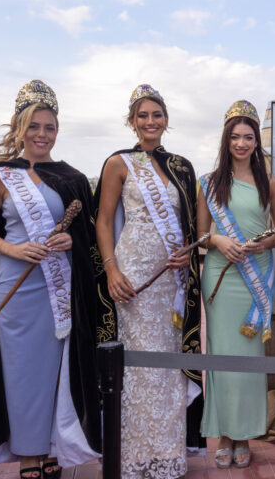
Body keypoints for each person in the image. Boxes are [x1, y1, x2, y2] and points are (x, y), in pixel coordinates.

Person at [0, 80, 108, 478]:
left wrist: (68, 240)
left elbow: (88, 236)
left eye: (49, 128)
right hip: (16, 289)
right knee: (23, 373)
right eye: (34, 127)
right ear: (20, 128)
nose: (42, 135)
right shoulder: (0, 176)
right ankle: (28, 454)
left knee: (57, 372)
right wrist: (14, 249)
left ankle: (53, 446)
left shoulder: (71, 178)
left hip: (58, 287)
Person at [95, 84, 204, 479]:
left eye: (156, 115)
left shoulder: (181, 166)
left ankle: (167, 456)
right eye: (142, 115)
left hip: (169, 279)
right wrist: (111, 269)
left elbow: (192, 225)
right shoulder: (118, 163)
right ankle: (133, 457)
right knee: (136, 366)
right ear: (132, 121)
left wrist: (188, 251)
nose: (150, 122)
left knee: (166, 365)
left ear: (166, 120)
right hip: (132, 275)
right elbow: (104, 220)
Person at [197, 100, 275, 468]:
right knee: (222, 359)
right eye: (236, 136)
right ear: (226, 140)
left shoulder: (270, 183)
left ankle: (244, 434)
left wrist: (265, 242)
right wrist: (218, 241)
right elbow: (200, 234)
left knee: (249, 359)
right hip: (220, 277)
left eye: (249, 137)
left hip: (256, 278)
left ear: (256, 142)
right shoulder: (209, 183)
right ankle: (224, 433)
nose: (243, 143)